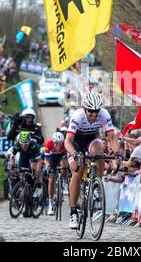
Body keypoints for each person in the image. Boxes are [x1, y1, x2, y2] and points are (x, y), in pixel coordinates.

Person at [64, 91, 119, 229]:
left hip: (91, 139)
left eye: (96, 112)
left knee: (99, 151)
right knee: (77, 171)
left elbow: (112, 137)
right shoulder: (77, 116)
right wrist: (75, 154)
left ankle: (97, 184)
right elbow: (68, 141)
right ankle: (73, 212)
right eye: (91, 113)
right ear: (84, 109)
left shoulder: (104, 114)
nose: (94, 115)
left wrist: (117, 154)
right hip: (75, 144)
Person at [8, 131, 42, 217]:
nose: (24, 146)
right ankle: (23, 194)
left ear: (29, 142)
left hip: (33, 157)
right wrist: (12, 167)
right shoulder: (17, 145)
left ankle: (37, 193)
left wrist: (37, 173)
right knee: (22, 176)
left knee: (35, 174)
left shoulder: (34, 145)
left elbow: (39, 161)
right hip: (24, 157)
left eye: (26, 144)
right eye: (22, 144)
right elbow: (12, 156)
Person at [44, 132, 68, 216]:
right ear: (53, 142)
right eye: (56, 143)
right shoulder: (49, 144)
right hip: (52, 158)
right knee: (51, 179)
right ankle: (50, 203)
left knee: (64, 165)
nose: (58, 145)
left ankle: (64, 183)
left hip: (62, 156)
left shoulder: (65, 144)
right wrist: (48, 166)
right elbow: (46, 159)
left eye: (60, 143)